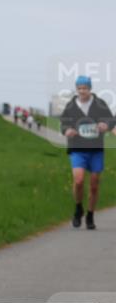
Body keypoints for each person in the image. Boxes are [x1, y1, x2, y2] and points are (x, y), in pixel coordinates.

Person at [60, 76, 114, 230]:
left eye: (85, 88)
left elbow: (111, 121)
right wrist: (67, 130)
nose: (82, 91)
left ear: (90, 89)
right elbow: (64, 123)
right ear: (76, 89)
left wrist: (105, 125)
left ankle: (90, 215)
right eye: (79, 88)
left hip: (96, 149)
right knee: (78, 181)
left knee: (95, 184)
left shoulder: (100, 104)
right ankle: (78, 209)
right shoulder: (71, 106)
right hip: (77, 148)